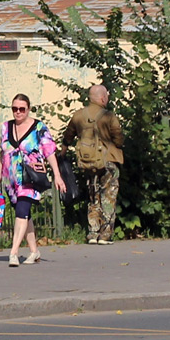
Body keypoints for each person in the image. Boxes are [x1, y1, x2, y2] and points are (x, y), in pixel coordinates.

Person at [0, 94, 65, 267]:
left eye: (22, 109)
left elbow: (49, 151)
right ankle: (34, 251)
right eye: (14, 109)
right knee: (24, 214)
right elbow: (3, 154)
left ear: (28, 109)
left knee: (22, 210)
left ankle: (13, 252)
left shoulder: (38, 127)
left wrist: (57, 175)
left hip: (30, 177)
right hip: (11, 180)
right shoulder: (6, 127)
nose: (18, 112)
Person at [61, 84, 125, 245]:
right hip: (108, 161)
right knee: (108, 196)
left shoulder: (78, 116)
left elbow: (68, 136)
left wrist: (62, 154)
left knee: (93, 196)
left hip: (88, 163)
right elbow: (118, 138)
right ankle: (105, 234)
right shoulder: (108, 116)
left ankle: (93, 232)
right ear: (103, 98)